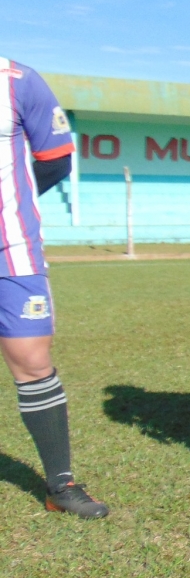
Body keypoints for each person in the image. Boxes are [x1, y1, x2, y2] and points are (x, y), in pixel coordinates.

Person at [0, 58, 108, 519]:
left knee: (32, 358)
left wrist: (14, 203)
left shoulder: (20, 82)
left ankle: (60, 485)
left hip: (12, 248)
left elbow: (55, 160)